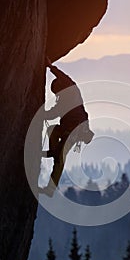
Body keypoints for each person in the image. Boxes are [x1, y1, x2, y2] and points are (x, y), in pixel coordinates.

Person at [40, 60, 94, 196]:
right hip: (69, 128)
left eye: (56, 93)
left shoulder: (69, 94)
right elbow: (64, 78)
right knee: (51, 129)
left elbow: (54, 112)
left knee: (60, 159)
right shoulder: (69, 92)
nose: (56, 96)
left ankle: (50, 189)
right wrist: (51, 67)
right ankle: (53, 151)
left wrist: (51, 67)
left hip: (76, 130)